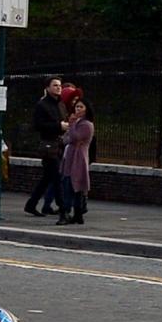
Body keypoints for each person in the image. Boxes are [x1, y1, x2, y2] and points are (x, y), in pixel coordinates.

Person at [23, 77, 67, 217]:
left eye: (59, 85)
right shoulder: (42, 105)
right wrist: (58, 126)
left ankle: (31, 204)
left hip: (58, 143)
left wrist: (64, 127)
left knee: (47, 177)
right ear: (47, 88)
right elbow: (38, 125)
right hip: (48, 145)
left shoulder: (60, 104)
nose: (58, 88)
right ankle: (63, 209)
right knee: (56, 177)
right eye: (55, 85)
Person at [57, 97, 94, 226]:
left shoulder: (86, 125)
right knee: (70, 185)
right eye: (77, 107)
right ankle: (77, 214)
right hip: (69, 157)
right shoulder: (76, 123)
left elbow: (75, 137)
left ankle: (66, 213)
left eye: (81, 107)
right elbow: (65, 139)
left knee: (72, 185)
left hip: (78, 159)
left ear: (86, 110)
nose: (78, 109)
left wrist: (71, 125)